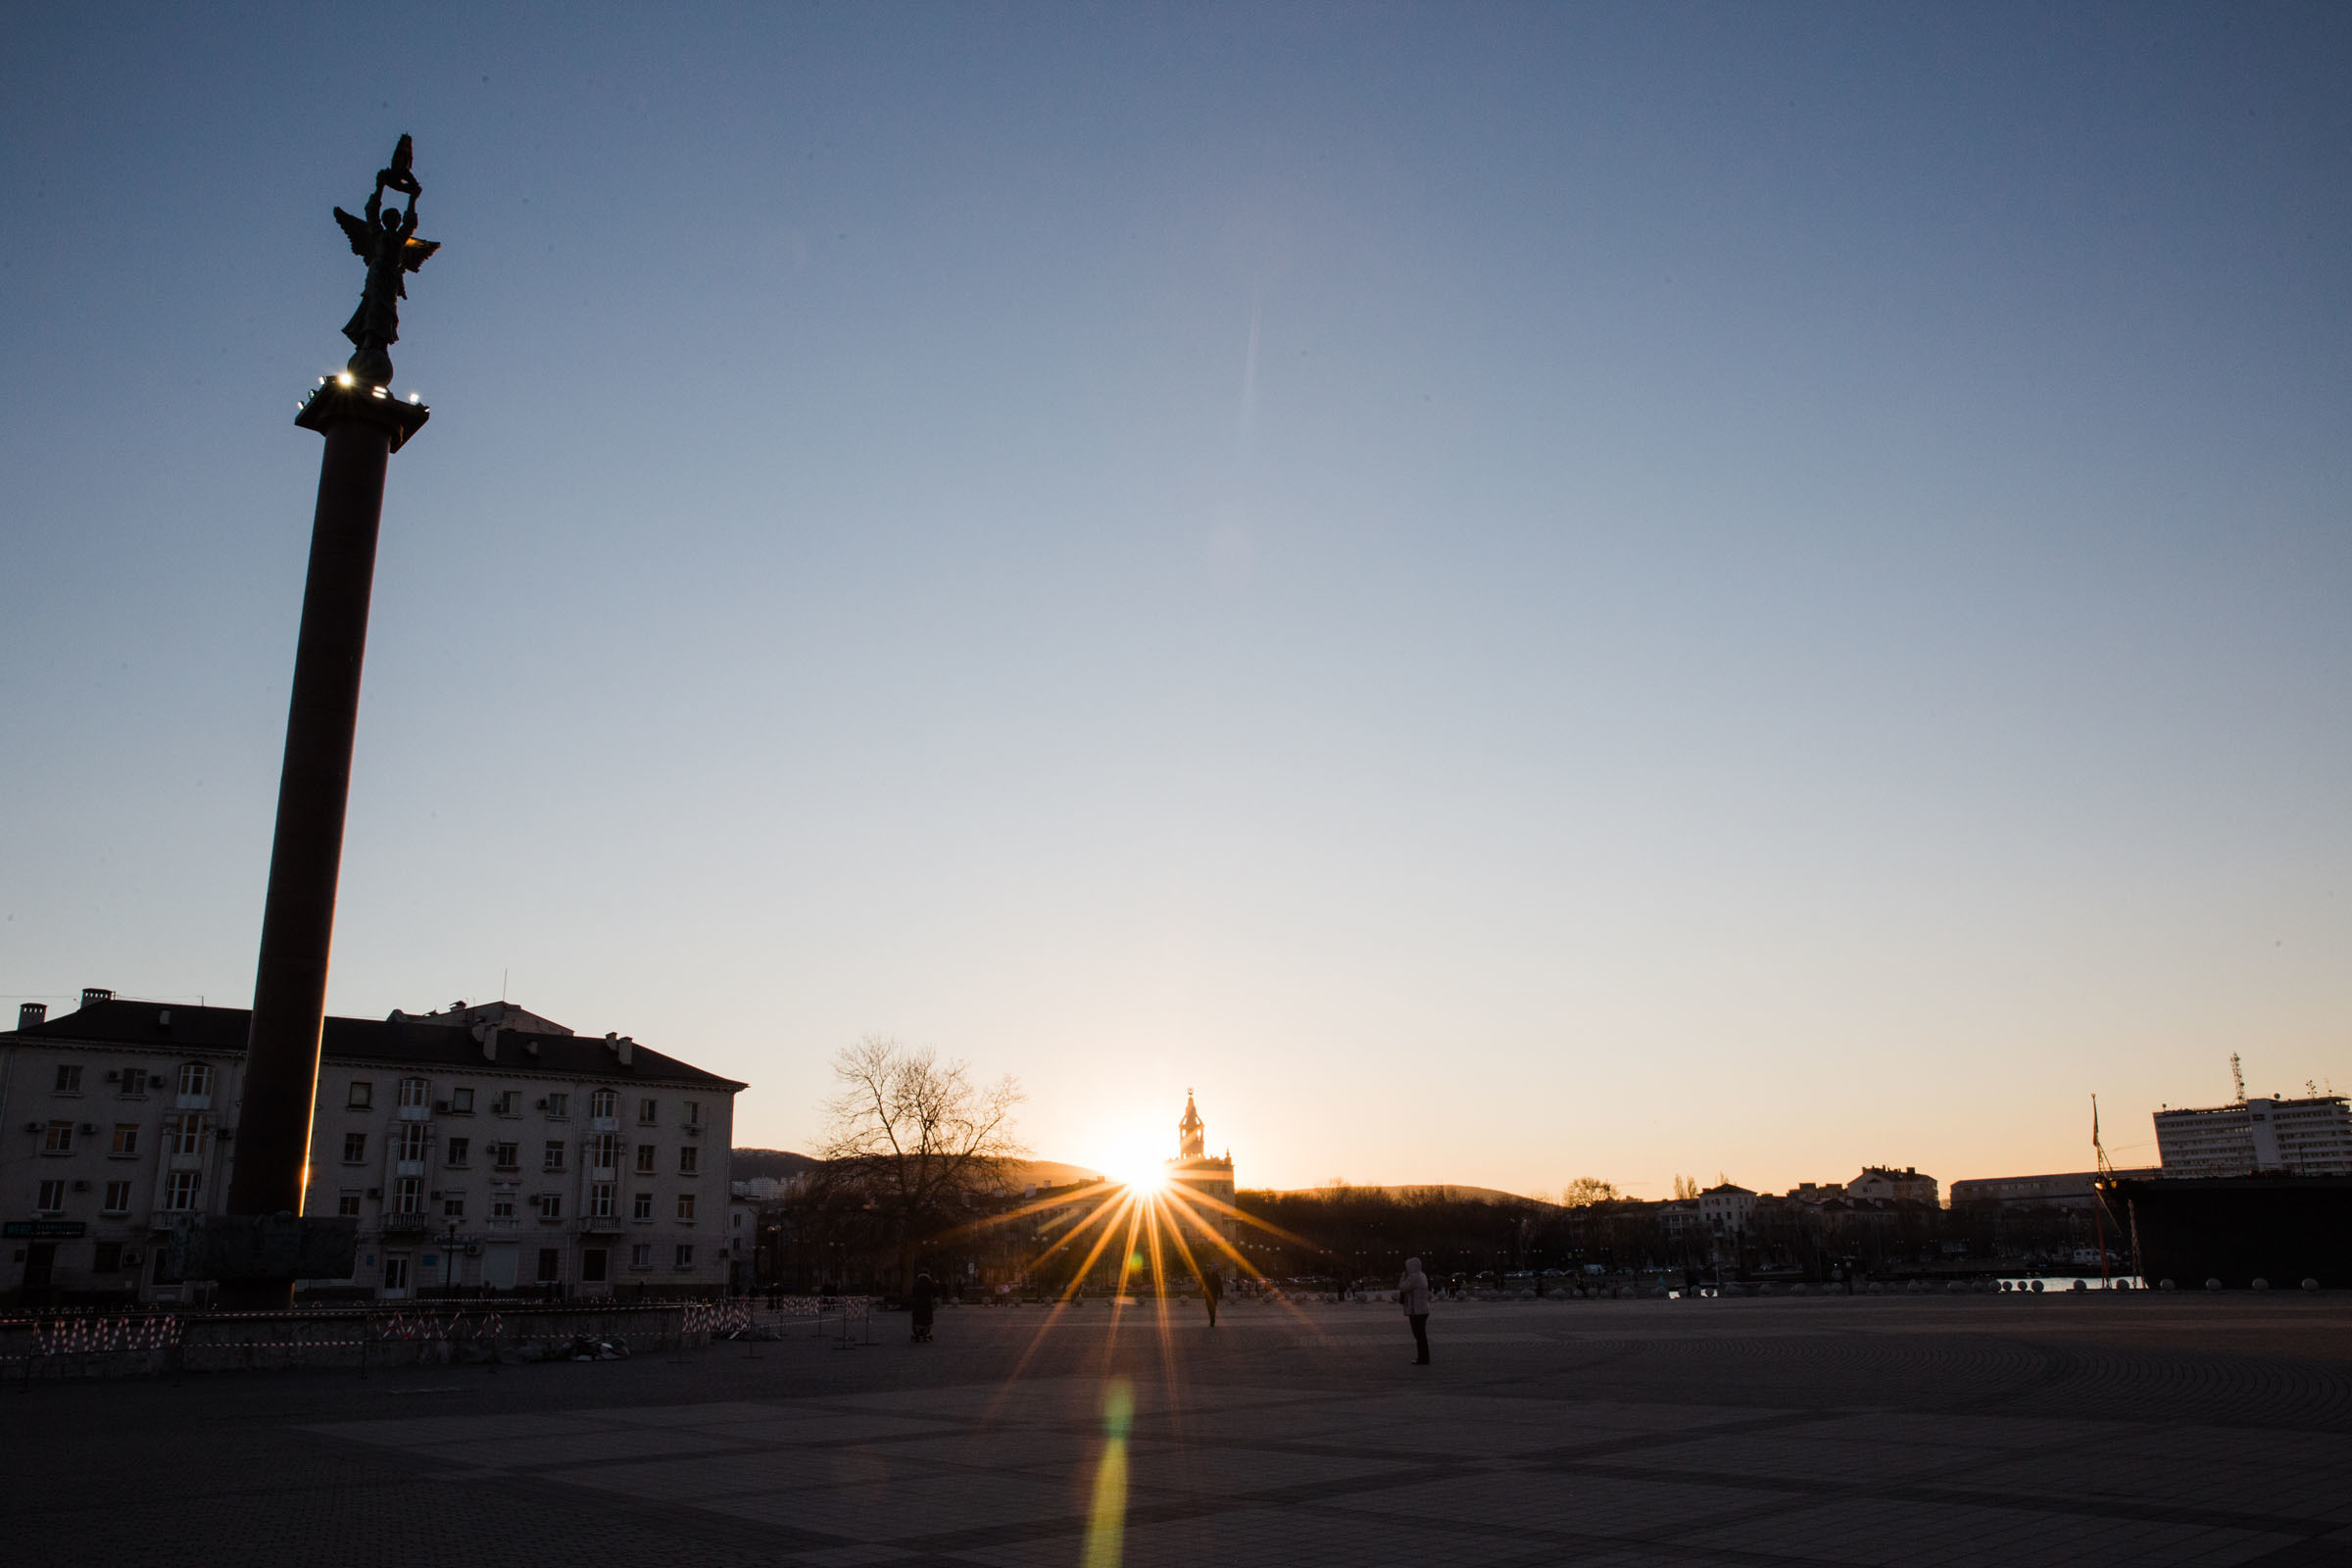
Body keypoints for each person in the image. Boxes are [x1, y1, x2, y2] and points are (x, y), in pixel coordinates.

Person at [1398, 1256, 1432, 1364]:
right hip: (1423, 1309)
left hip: (1416, 1310)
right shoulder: (1422, 1275)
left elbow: (1402, 1287)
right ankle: (1424, 1357)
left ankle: (1422, 1358)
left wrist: (1403, 1277)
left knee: (1418, 1335)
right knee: (1421, 1335)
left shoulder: (1414, 1277)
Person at [910, 1271, 936, 1343]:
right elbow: (935, 1291)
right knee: (927, 1320)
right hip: (927, 1303)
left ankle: (917, 1335)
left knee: (917, 1320)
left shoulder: (916, 1282)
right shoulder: (930, 1282)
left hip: (917, 1304)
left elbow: (913, 1293)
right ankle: (925, 1335)